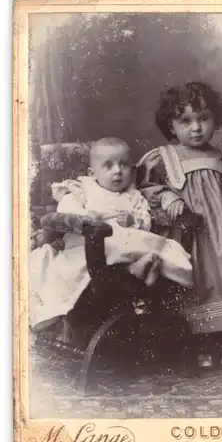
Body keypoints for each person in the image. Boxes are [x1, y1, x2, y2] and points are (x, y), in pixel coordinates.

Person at [136, 82, 222, 367]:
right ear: (171, 125)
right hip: (188, 239)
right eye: (186, 121)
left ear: (216, 119)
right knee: (195, 284)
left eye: (204, 118)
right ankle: (201, 343)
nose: (196, 128)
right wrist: (166, 195)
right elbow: (142, 189)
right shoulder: (163, 157)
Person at [30, 137, 193, 330]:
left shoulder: (134, 196)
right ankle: (138, 269)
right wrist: (87, 218)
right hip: (90, 242)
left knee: (150, 243)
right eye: (108, 166)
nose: (117, 171)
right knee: (85, 257)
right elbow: (66, 209)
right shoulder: (83, 189)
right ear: (93, 173)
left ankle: (139, 268)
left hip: (125, 240)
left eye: (123, 165)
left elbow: (145, 221)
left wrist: (133, 221)